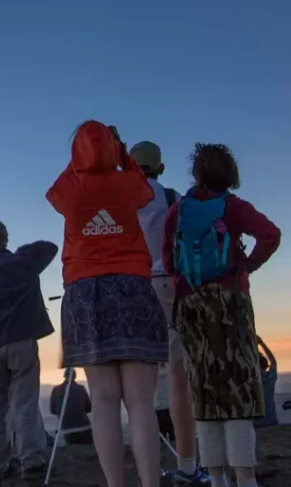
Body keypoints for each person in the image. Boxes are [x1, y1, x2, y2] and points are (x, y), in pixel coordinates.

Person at [47, 121, 168, 487]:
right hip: (132, 285)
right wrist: (121, 154)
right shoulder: (129, 183)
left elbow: (55, 191)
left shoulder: (70, 189)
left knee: (102, 400)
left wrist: (83, 157)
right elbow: (145, 191)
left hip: (85, 292)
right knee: (141, 403)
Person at [163, 143, 281, 487]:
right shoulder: (234, 207)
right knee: (238, 391)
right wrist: (245, 267)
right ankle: (245, 479)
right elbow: (270, 235)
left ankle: (216, 479)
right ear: (229, 173)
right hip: (231, 303)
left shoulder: (178, 212)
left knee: (203, 390)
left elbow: (169, 261)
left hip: (191, 306)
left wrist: (188, 286)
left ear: (196, 173)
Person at [129, 140, 208, 484]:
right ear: (159, 168)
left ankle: (149, 470)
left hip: (129, 289)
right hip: (166, 286)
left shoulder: (119, 198)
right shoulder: (172, 197)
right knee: (179, 380)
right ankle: (188, 466)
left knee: (138, 388)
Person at [0, 218, 57, 482]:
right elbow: (49, 246)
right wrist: (19, 252)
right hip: (22, 339)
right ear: (6, 238)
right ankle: (30, 459)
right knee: (25, 401)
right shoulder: (23, 262)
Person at [49, 369, 93, 444]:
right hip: (83, 427)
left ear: (64, 376)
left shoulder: (56, 390)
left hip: (66, 428)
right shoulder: (81, 389)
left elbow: (52, 411)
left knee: (72, 449)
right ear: (75, 376)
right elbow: (89, 408)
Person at [254, 337, 278, 428]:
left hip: (257, 422)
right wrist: (261, 343)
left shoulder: (252, 379)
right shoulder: (270, 378)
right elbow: (273, 361)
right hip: (271, 419)